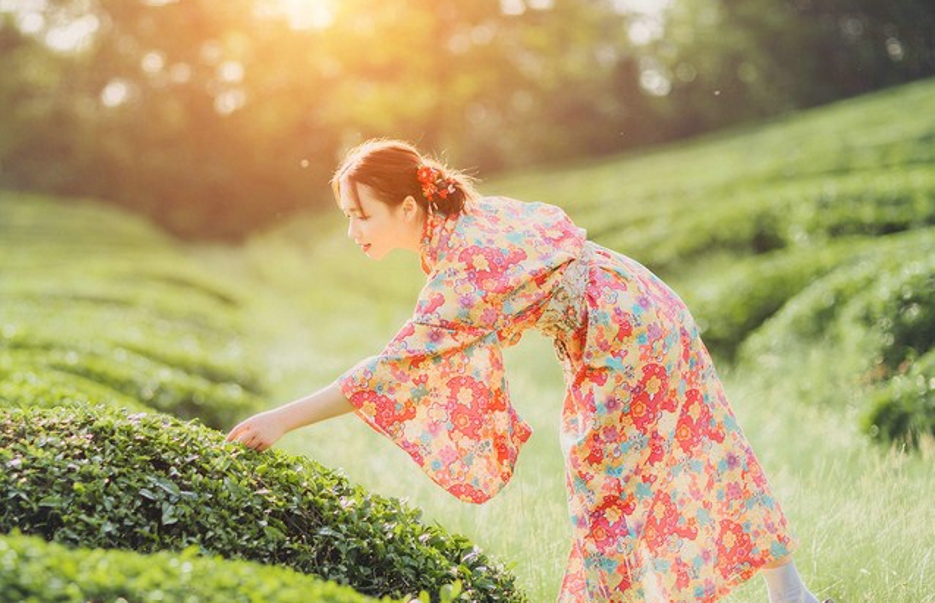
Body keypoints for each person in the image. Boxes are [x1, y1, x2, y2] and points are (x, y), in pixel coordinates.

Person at [227, 139, 826, 603]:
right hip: (645, 302)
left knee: (605, 490)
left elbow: (389, 371)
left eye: (360, 215)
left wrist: (283, 420)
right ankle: (791, 592)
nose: (351, 231)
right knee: (706, 444)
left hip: (621, 337)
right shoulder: (466, 219)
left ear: (407, 206)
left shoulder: (464, 261)